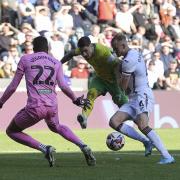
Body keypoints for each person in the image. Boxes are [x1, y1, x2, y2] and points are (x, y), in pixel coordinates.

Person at [0, 36, 96, 167]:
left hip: (35, 107)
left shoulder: (25, 59)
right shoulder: (56, 62)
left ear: (34, 48)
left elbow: (13, 86)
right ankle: (83, 145)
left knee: (11, 131)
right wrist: (75, 99)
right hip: (52, 106)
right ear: (48, 48)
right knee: (57, 126)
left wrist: (1, 101)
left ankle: (45, 148)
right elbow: (63, 86)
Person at [110, 33, 175, 164]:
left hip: (142, 94)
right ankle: (146, 142)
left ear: (123, 45)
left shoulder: (128, 61)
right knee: (114, 122)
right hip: (134, 97)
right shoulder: (134, 53)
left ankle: (167, 156)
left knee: (143, 125)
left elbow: (123, 87)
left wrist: (116, 72)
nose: (114, 51)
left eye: (116, 48)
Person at [61, 36, 128, 129]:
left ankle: (141, 121)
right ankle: (84, 118)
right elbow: (71, 53)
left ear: (91, 46)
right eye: (82, 52)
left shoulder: (102, 52)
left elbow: (116, 65)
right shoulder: (82, 50)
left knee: (125, 105)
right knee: (91, 94)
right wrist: (59, 64)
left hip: (113, 80)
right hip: (100, 79)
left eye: (85, 51)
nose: (84, 54)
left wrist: (120, 84)